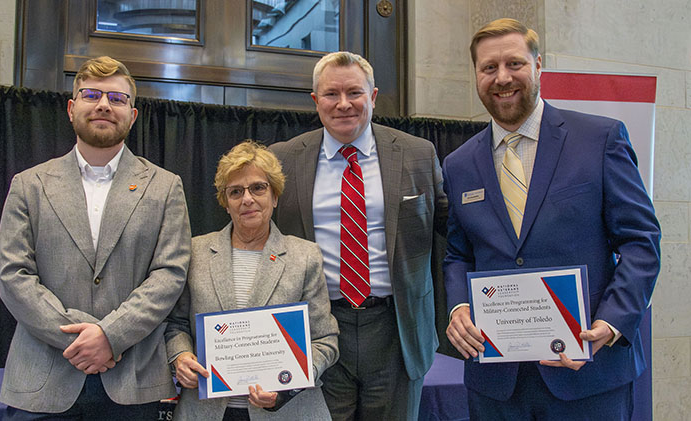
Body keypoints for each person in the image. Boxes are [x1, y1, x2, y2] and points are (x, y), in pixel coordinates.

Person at [442, 18, 661, 420]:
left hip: (587, 374)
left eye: (514, 64)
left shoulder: (600, 139)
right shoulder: (458, 165)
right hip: (496, 383)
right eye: (489, 67)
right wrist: (458, 308)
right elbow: (458, 252)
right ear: (476, 75)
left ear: (538, 66)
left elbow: (641, 243)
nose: (502, 77)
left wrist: (610, 325)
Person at [0, 56, 192, 419]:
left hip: (133, 383)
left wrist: (109, 336)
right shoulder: (29, 185)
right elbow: (13, 276)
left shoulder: (165, 188)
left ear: (132, 116)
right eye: (91, 94)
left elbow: (170, 275)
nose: (104, 104)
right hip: (42, 379)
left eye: (117, 98)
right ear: (72, 109)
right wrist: (80, 341)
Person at [269, 51, 447, 420]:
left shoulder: (417, 154)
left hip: (396, 328)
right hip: (317, 327)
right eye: (331, 94)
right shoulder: (283, 160)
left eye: (355, 92)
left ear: (374, 96)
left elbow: (454, 230)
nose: (344, 104)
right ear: (316, 101)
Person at [165, 140, 339, 420]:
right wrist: (181, 357)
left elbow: (325, 341)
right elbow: (175, 324)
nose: (247, 199)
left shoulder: (305, 256)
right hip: (206, 411)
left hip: (286, 412)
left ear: (275, 196)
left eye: (258, 188)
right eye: (236, 191)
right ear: (225, 202)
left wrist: (286, 386)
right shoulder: (195, 252)